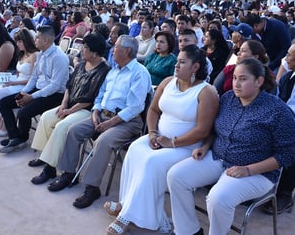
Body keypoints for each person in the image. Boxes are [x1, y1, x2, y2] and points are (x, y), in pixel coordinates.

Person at [167, 58, 295, 235]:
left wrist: (248, 170)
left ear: (259, 81)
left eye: (243, 79)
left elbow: (286, 156)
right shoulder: (228, 99)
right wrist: (205, 146)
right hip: (218, 158)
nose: (236, 83)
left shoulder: (278, 111)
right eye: (235, 78)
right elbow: (214, 130)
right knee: (176, 176)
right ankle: (188, 230)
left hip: (258, 172)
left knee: (218, 198)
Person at [103, 44, 219, 235]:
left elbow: (203, 130)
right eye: (177, 61)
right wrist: (152, 133)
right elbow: (154, 110)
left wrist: (172, 142)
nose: (176, 65)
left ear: (195, 67)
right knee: (134, 150)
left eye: (182, 62)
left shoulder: (206, 92)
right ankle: (126, 203)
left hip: (186, 145)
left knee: (151, 162)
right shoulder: (167, 82)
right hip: (159, 137)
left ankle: (125, 216)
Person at [47, 35, 152, 210]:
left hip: (127, 122)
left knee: (102, 142)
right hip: (102, 115)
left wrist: (111, 123)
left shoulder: (139, 73)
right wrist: (95, 112)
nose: (112, 49)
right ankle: (68, 173)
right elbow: (100, 96)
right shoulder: (113, 71)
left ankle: (92, 187)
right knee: (73, 130)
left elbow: (135, 107)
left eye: (116, 46)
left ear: (127, 51)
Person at [29, 33, 110, 184]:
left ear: (94, 52)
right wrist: (64, 104)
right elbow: (69, 86)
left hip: (85, 110)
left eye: (85, 47)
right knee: (46, 118)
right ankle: (45, 157)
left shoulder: (104, 70)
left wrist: (69, 111)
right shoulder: (81, 65)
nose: (81, 50)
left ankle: (49, 167)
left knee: (61, 126)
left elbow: (90, 99)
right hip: (70, 105)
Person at [0, 25, 69, 153]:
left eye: (37, 38)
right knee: (3, 103)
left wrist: (31, 97)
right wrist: (23, 92)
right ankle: (15, 137)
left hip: (54, 95)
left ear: (46, 40)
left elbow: (55, 86)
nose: (34, 40)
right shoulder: (41, 54)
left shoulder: (59, 57)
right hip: (39, 89)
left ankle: (22, 137)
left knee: (24, 112)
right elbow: (34, 77)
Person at [263, 43, 295, 214]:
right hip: (283, 118)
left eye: (289, 55)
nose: (286, 59)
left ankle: (285, 194)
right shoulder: (288, 76)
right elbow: (277, 100)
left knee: (290, 145)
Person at [0, 29, 37, 136]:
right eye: (16, 42)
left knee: (0, 93)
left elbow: (33, 79)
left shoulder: (34, 55)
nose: (17, 44)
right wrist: (9, 79)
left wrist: (13, 83)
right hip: (18, 81)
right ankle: (1, 122)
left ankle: (5, 125)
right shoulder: (22, 54)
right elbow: (18, 74)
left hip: (26, 85)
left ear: (25, 41)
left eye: (19, 41)